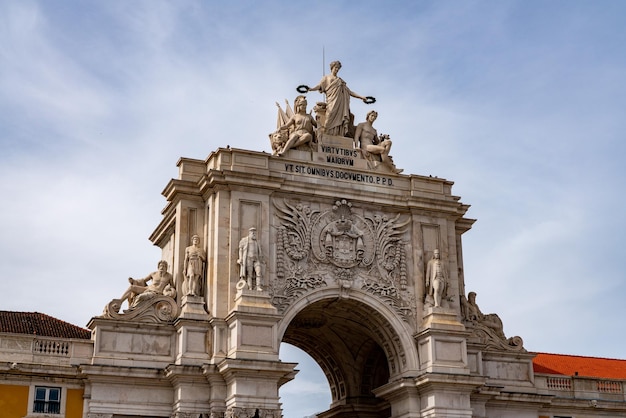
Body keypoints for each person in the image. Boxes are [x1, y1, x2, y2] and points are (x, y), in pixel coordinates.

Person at [308, 60, 369, 137]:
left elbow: (350, 92)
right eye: (336, 67)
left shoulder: (340, 81)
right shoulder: (326, 78)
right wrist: (311, 88)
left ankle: (338, 135)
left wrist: (361, 97)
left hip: (341, 104)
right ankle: (326, 134)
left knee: (341, 120)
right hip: (332, 101)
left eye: (338, 68)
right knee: (329, 116)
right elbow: (319, 86)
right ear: (332, 67)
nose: (337, 69)